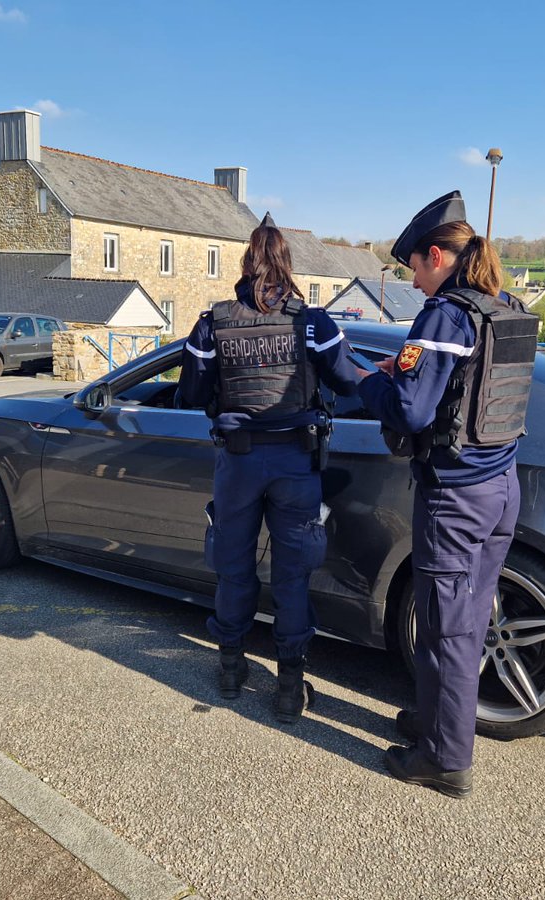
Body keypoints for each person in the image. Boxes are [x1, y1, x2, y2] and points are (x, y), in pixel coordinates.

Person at [356, 191, 539, 797]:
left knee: (446, 629)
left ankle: (444, 759)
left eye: (414, 265)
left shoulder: (444, 314)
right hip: (499, 487)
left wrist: (365, 382)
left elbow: (411, 410)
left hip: (455, 497)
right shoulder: (502, 307)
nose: (414, 278)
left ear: (437, 256)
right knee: (465, 618)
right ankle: (439, 724)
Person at [179, 213, 362, 723]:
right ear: (285, 263)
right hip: (295, 461)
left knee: (234, 568)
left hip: (237, 461)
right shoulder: (312, 321)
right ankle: (288, 689)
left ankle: (232, 670)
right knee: (292, 575)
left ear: (246, 263)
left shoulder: (212, 322)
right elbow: (348, 382)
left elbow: (190, 393)